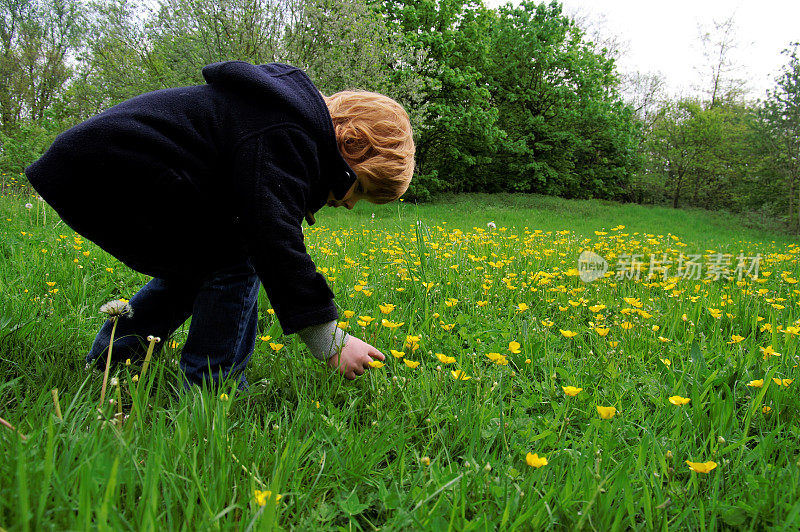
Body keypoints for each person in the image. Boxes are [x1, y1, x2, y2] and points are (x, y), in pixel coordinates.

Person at [24, 61, 415, 388]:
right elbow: (274, 239)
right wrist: (327, 338)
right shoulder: (286, 133)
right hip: (111, 173)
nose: (350, 204)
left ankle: (115, 360)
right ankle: (213, 388)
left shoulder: (282, 122)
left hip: (90, 170)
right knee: (238, 253)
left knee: (203, 263)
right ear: (350, 145)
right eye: (359, 189)